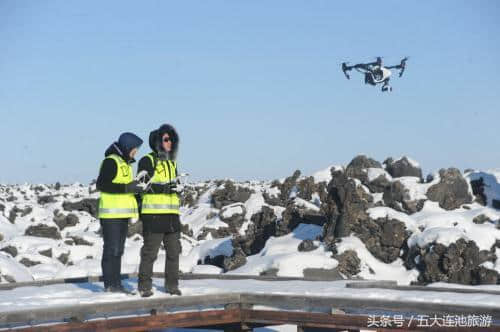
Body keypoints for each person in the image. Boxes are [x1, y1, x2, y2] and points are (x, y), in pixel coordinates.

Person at [96, 132, 144, 293]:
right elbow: (102, 185)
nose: (136, 152)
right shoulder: (111, 161)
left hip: (122, 215)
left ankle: (117, 284)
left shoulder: (125, 164)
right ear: (126, 147)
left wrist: (138, 191)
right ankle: (111, 285)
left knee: (118, 250)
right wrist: (126, 188)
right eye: (134, 149)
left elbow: (125, 189)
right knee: (112, 250)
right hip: (111, 215)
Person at [137, 124, 182, 297]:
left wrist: (178, 189)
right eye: (166, 139)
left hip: (172, 216)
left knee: (174, 252)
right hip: (153, 215)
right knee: (150, 253)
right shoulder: (147, 160)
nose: (169, 142)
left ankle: (172, 286)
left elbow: (173, 186)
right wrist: (164, 189)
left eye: (171, 139)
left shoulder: (171, 163)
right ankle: (144, 286)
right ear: (157, 142)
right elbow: (142, 186)